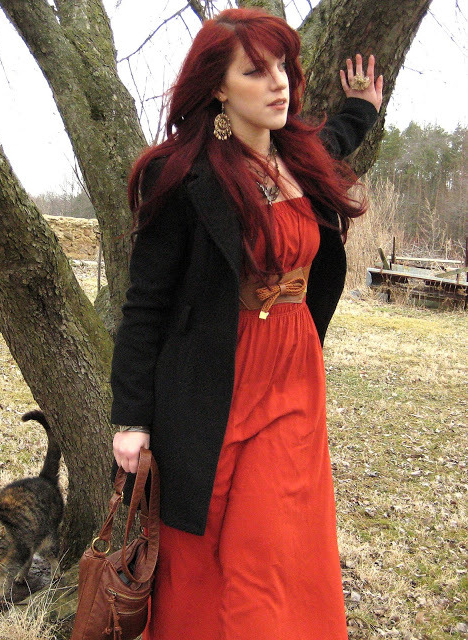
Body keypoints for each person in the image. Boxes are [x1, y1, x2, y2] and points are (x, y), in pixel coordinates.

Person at [110, 7, 383, 640]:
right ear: (218, 88)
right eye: (256, 72)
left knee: (272, 545)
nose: (278, 83)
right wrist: (131, 418)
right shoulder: (181, 177)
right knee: (199, 546)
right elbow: (144, 305)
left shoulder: (302, 158)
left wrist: (362, 109)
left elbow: (336, 137)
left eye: (282, 66)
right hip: (210, 383)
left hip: (292, 380)